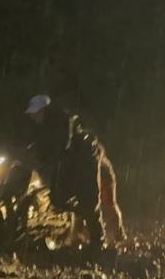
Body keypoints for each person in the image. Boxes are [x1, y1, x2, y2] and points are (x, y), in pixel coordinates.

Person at [23, 94, 125, 252]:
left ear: (44, 110)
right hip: (76, 164)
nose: (33, 116)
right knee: (67, 198)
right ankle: (80, 235)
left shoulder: (64, 124)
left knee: (94, 200)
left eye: (36, 112)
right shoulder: (46, 128)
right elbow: (45, 150)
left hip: (89, 162)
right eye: (32, 113)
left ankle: (105, 240)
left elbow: (64, 148)